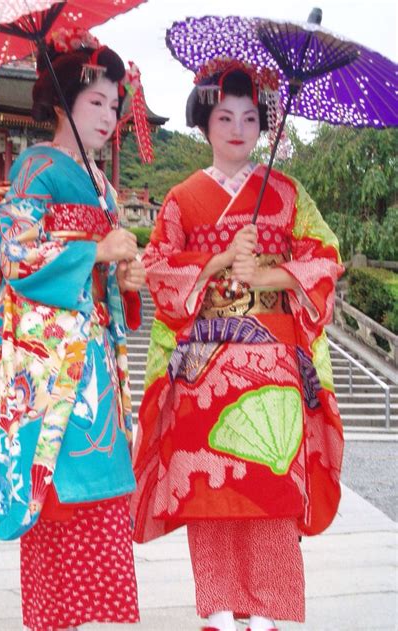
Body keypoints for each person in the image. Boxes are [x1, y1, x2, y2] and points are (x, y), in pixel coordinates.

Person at [131, 59, 344, 631]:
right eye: (224, 116)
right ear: (205, 122)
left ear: (262, 126)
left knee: (270, 484)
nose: (237, 129)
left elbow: (325, 256)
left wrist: (269, 276)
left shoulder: (287, 191)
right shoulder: (182, 197)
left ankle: (268, 606)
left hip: (272, 354)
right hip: (205, 361)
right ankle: (220, 606)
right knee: (211, 488)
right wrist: (221, 261)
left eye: (250, 118)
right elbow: (155, 265)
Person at [0, 28, 146, 631]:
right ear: (61, 104)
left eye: (114, 105)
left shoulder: (105, 186)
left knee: (102, 491)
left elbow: (108, 277)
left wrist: (124, 278)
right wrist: (93, 248)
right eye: (96, 103)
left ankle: (89, 618)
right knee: (55, 490)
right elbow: (16, 248)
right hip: (53, 364)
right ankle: (56, 620)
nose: (109, 117)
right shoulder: (36, 167)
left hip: (98, 363)